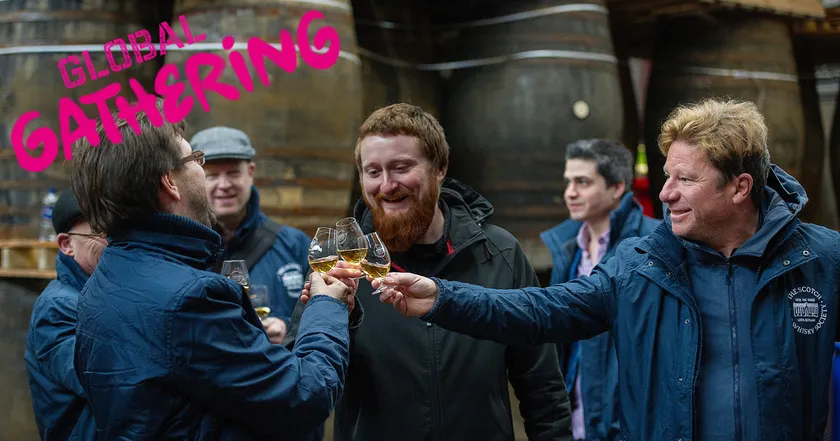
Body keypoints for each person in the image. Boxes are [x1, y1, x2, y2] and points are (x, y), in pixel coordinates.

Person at [353, 98, 840, 441]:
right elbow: (543, 311)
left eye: (685, 179)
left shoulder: (822, 261)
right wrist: (443, 297)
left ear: (739, 187)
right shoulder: (642, 264)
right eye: (665, 175)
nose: (665, 193)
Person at [69, 100, 361, 440]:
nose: (205, 173)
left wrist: (307, 318)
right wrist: (327, 305)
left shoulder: (103, 277)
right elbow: (306, 395)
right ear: (169, 182)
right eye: (196, 159)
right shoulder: (192, 298)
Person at [289, 103, 572, 441]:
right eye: (373, 172)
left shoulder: (499, 253)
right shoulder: (339, 267)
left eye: (401, 167)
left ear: (439, 169)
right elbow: (299, 385)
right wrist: (336, 319)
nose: (387, 185)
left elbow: (543, 388)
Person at [540, 139, 659, 441]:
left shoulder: (653, 245)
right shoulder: (568, 250)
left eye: (583, 182)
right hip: (576, 421)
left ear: (617, 187)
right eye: (568, 182)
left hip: (627, 426)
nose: (570, 193)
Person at [189, 126, 312, 344]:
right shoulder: (184, 250)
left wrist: (289, 330)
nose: (224, 185)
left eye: (233, 173)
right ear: (195, 179)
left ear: (251, 173)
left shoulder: (296, 245)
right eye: (212, 175)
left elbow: (321, 315)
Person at [24, 189, 107, 441]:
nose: (114, 241)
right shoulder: (57, 308)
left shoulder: (101, 294)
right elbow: (103, 382)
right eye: (100, 231)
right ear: (66, 244)